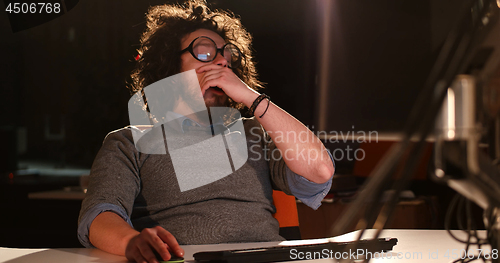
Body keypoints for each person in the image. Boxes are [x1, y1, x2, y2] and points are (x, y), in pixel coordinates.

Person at [77, 1, 335, 263]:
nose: (223, 62)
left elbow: (320, 172)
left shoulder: (255, 132)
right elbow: (99, 215)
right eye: (204, 53)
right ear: (169, 67)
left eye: (227, 56)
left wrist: (252, 98)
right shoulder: (129, 142)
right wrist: (131, 241)